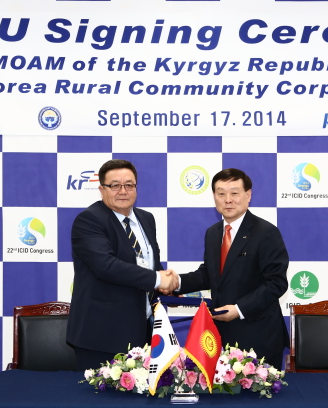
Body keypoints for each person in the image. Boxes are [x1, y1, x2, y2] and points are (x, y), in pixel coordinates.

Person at [67, 159, 178, 371]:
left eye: (129, 184)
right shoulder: (89, 220)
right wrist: (157, 279)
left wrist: (166, 282)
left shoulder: (146, 218)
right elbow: (106, 266)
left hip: (142, 330)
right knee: (100, 402)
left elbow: (147, 263)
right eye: (115, 185)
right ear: (101, 189)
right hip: (102, 335)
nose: (123, 191)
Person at [177, 168, 289, 369]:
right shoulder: (213, 233)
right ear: (214, 197)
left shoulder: (266, 232)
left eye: (234, 193)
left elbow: (276, 283)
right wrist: (175, 283)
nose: (227, 199)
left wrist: (239, 309)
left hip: (258, 337)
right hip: (220, 337)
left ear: (248, 195)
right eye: (221, 194)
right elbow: (208, 274)